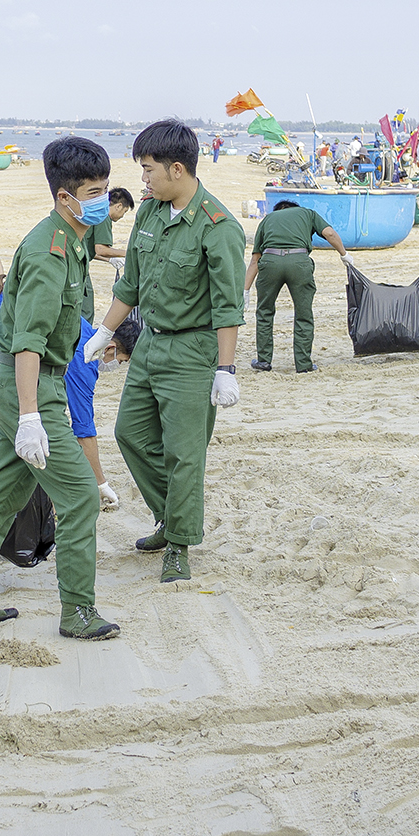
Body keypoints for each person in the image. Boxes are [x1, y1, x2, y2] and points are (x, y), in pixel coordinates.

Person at [0, 137, 120, 639]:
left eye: (104, 188)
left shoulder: (69, 240)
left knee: (0, 497)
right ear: (65, 197)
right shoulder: (48, 253)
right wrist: (30, 417)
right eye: (94, 191)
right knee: (82, 496)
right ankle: (77, 611)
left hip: (32, 385)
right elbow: (27, 345)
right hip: (28, 385)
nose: (102, 200)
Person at [84, 120, 246, 585]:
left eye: (149, 170)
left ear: (177, 169)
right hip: (150, 342)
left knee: (184, 453)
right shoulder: (150, 214)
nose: (143, 180)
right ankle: (171, 517)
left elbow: (228, 305)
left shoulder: (219, 227)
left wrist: (226, 368)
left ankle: (178, 544)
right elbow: (131, 283)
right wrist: (104, 332)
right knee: (130, 433)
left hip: (194, 351)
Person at [0, 300, 141, 509]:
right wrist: (100, 483)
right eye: (121, 361)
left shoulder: (81, 325)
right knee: (16, 427)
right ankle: (2, 495)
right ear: (111, 347)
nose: (118, 366)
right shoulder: (84, 360)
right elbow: (84, 430)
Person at [243, 200, 349, 373]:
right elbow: (330, 233)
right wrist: (344, 255)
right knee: (303, 314)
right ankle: (303, 365)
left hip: (270, 262)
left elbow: (255, 260)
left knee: (264, 312)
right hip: (299, 262)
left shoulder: (267, 220)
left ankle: (263, 361)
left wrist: (245, 290)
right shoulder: (307, 213)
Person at [90, 186, 136, 266]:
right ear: (118, 206)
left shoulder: (97, 210)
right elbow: (100, 249)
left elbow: (89, 250)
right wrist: (128, 253)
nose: (122, 216)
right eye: (124, 211)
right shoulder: (104, 216)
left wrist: (110, 259)